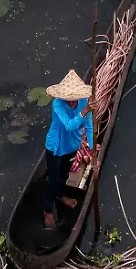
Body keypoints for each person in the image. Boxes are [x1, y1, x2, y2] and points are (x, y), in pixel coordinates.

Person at [42, 70, 94, 229]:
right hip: (55, 147)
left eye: (74, 100)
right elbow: (70, 125)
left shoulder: (85, 101)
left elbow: (89, 127)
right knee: (52, 180)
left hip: (72, 145)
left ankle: (61, 194)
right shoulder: (57, 104)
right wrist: (84, 111)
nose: (71, 103)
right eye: (68, 100)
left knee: (64, 174)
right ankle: (47, 210)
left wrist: (92, 150)